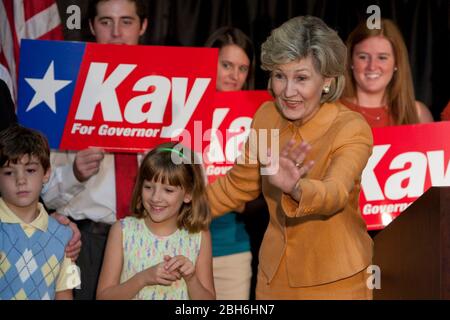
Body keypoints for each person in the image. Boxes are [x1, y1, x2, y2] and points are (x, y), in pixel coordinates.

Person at [206, 16, 374, 300]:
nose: (287, 91)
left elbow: (335, 193)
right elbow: (236, 186)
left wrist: (296, 189)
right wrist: (178, 210)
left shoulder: (351, 127)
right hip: (274, 279)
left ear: (327, 81)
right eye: (280, 76)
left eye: (301, 78)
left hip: (337, 282)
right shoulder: (266, 116)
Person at [41, 0, 148, 300]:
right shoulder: (64, 92)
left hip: (151, 242)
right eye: (105, 22)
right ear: (91, 26)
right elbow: (44, 193)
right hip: (86, 246)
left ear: (143, 26)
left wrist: (175, 155)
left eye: (126, 21)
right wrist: (74, 173)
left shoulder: (171, 88)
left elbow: (187, 162)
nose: (116, 33)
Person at [96, 143, 215, 300]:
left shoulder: (199, 237)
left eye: (168, 190)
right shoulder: (122, 230)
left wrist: (191, 278)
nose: (155, 197)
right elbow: (103, 296)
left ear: (188, 194)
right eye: (148, 187)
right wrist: (143, 278)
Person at [204, 26, 259, 300]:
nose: (234, 76)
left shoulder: (259, 118)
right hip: (178, 247)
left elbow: (267, 198)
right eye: (226, 65)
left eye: (242, 69)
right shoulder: (182, 109)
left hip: (232, 248)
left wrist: (244, 201)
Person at [0, 125, 81, 299]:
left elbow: (64, 292)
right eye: (8, 172)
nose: (20, 180)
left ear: (46, 174)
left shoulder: (64, 235)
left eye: (30, 170)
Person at [340, 18, 433, 127]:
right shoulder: (330, 111)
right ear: (351, 61)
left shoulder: (418, 113)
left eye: (382, 57)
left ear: (396, 63)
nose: (372, 66)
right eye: (363, 57)